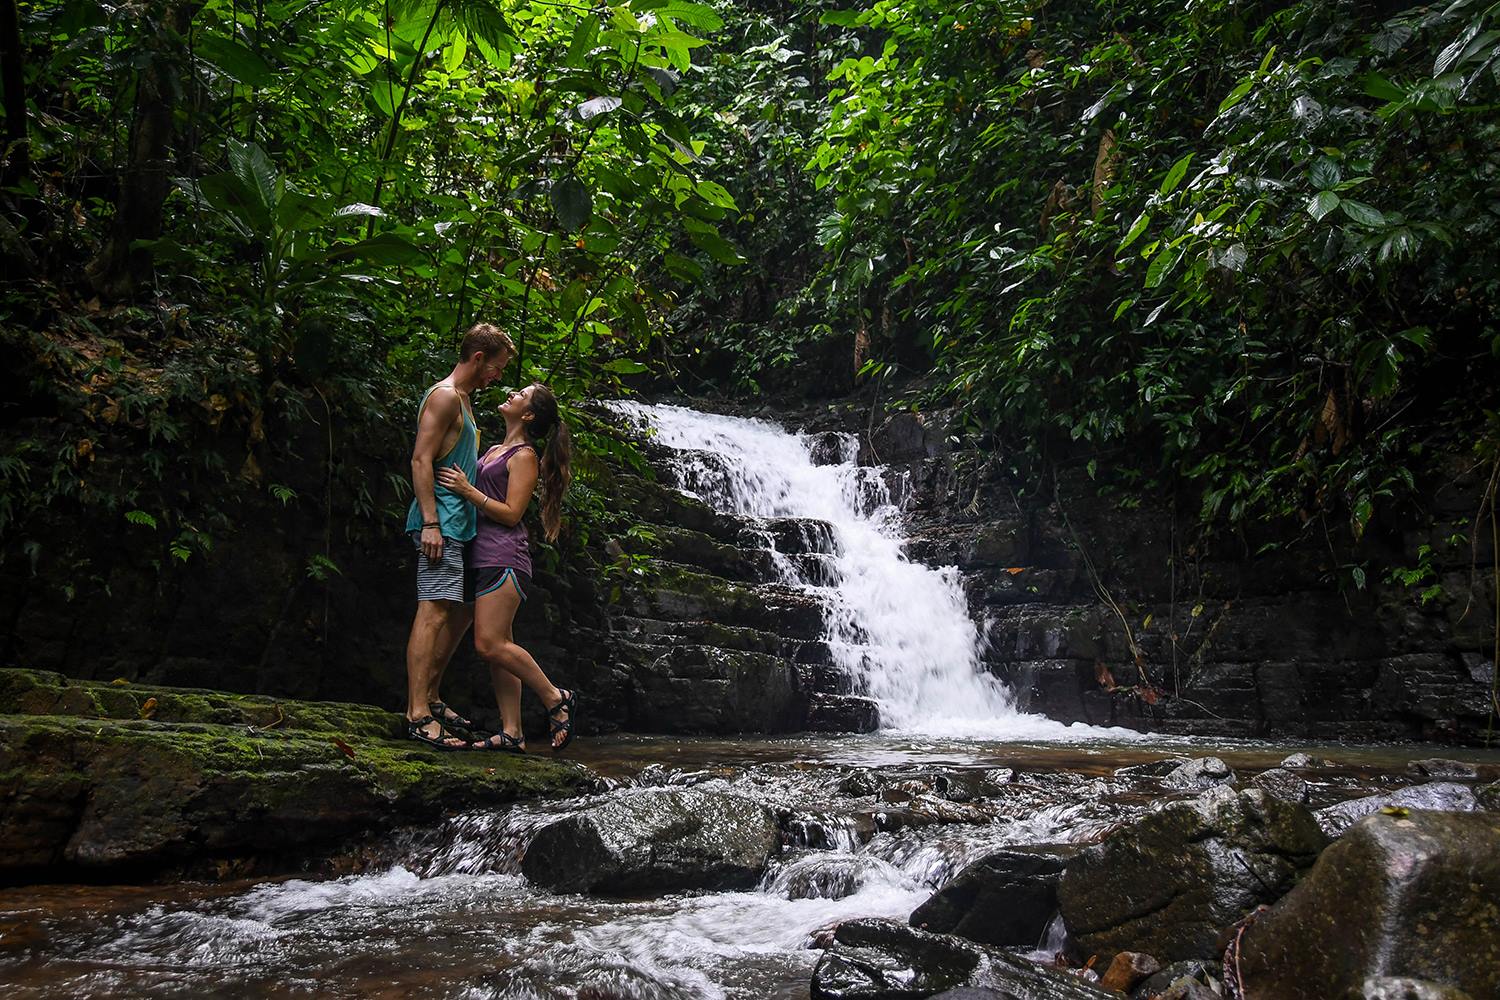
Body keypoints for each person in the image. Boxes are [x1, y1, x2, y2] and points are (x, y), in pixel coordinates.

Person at [436, 382, 577, 753]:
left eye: (522, 395)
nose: (513, 393)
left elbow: (513, 513)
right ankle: (512, 732)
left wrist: (469, 491)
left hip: (504, 557)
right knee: (502, 645)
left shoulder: (525, 456)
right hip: (483, 555)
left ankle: (555, 696)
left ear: (528, 415)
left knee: (489, 644)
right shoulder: (498, 449)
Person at [403, 322, 514, 750]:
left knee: (455, 612)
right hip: (441, 525)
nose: (498, 377)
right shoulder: (445, 396)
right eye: (498, 368)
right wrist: (431, 522)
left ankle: (430, 696)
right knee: (432, 611)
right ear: (479, 358)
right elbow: (420, 459)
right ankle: (416, 714)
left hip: (459, 526)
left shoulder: (464, 400)